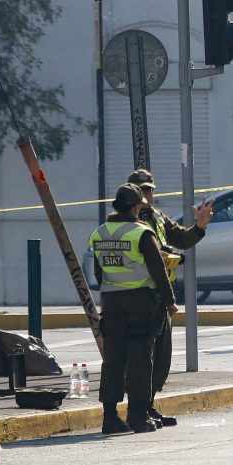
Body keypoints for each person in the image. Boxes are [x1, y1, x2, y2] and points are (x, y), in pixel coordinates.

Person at [126, 168, 213, 427]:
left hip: (160, 296)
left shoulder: (157, 217)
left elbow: (181, 238)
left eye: (149, 190)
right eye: (140, 190)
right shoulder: (126, 221)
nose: (145, 195)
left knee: (161, 359)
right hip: (139, 294)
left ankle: (149, 406)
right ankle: (137, 410)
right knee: (142, 358)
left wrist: (199, 226)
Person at [90, 183, 178, 435]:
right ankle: (138, 416)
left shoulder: (100, 232)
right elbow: (157, 270)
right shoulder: (141, 233)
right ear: (137, 206)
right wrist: (169, 300)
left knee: (114, 358)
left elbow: (99, 271)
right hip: (140, 301)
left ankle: (110, 417)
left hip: (112, 301)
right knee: (141, 357)